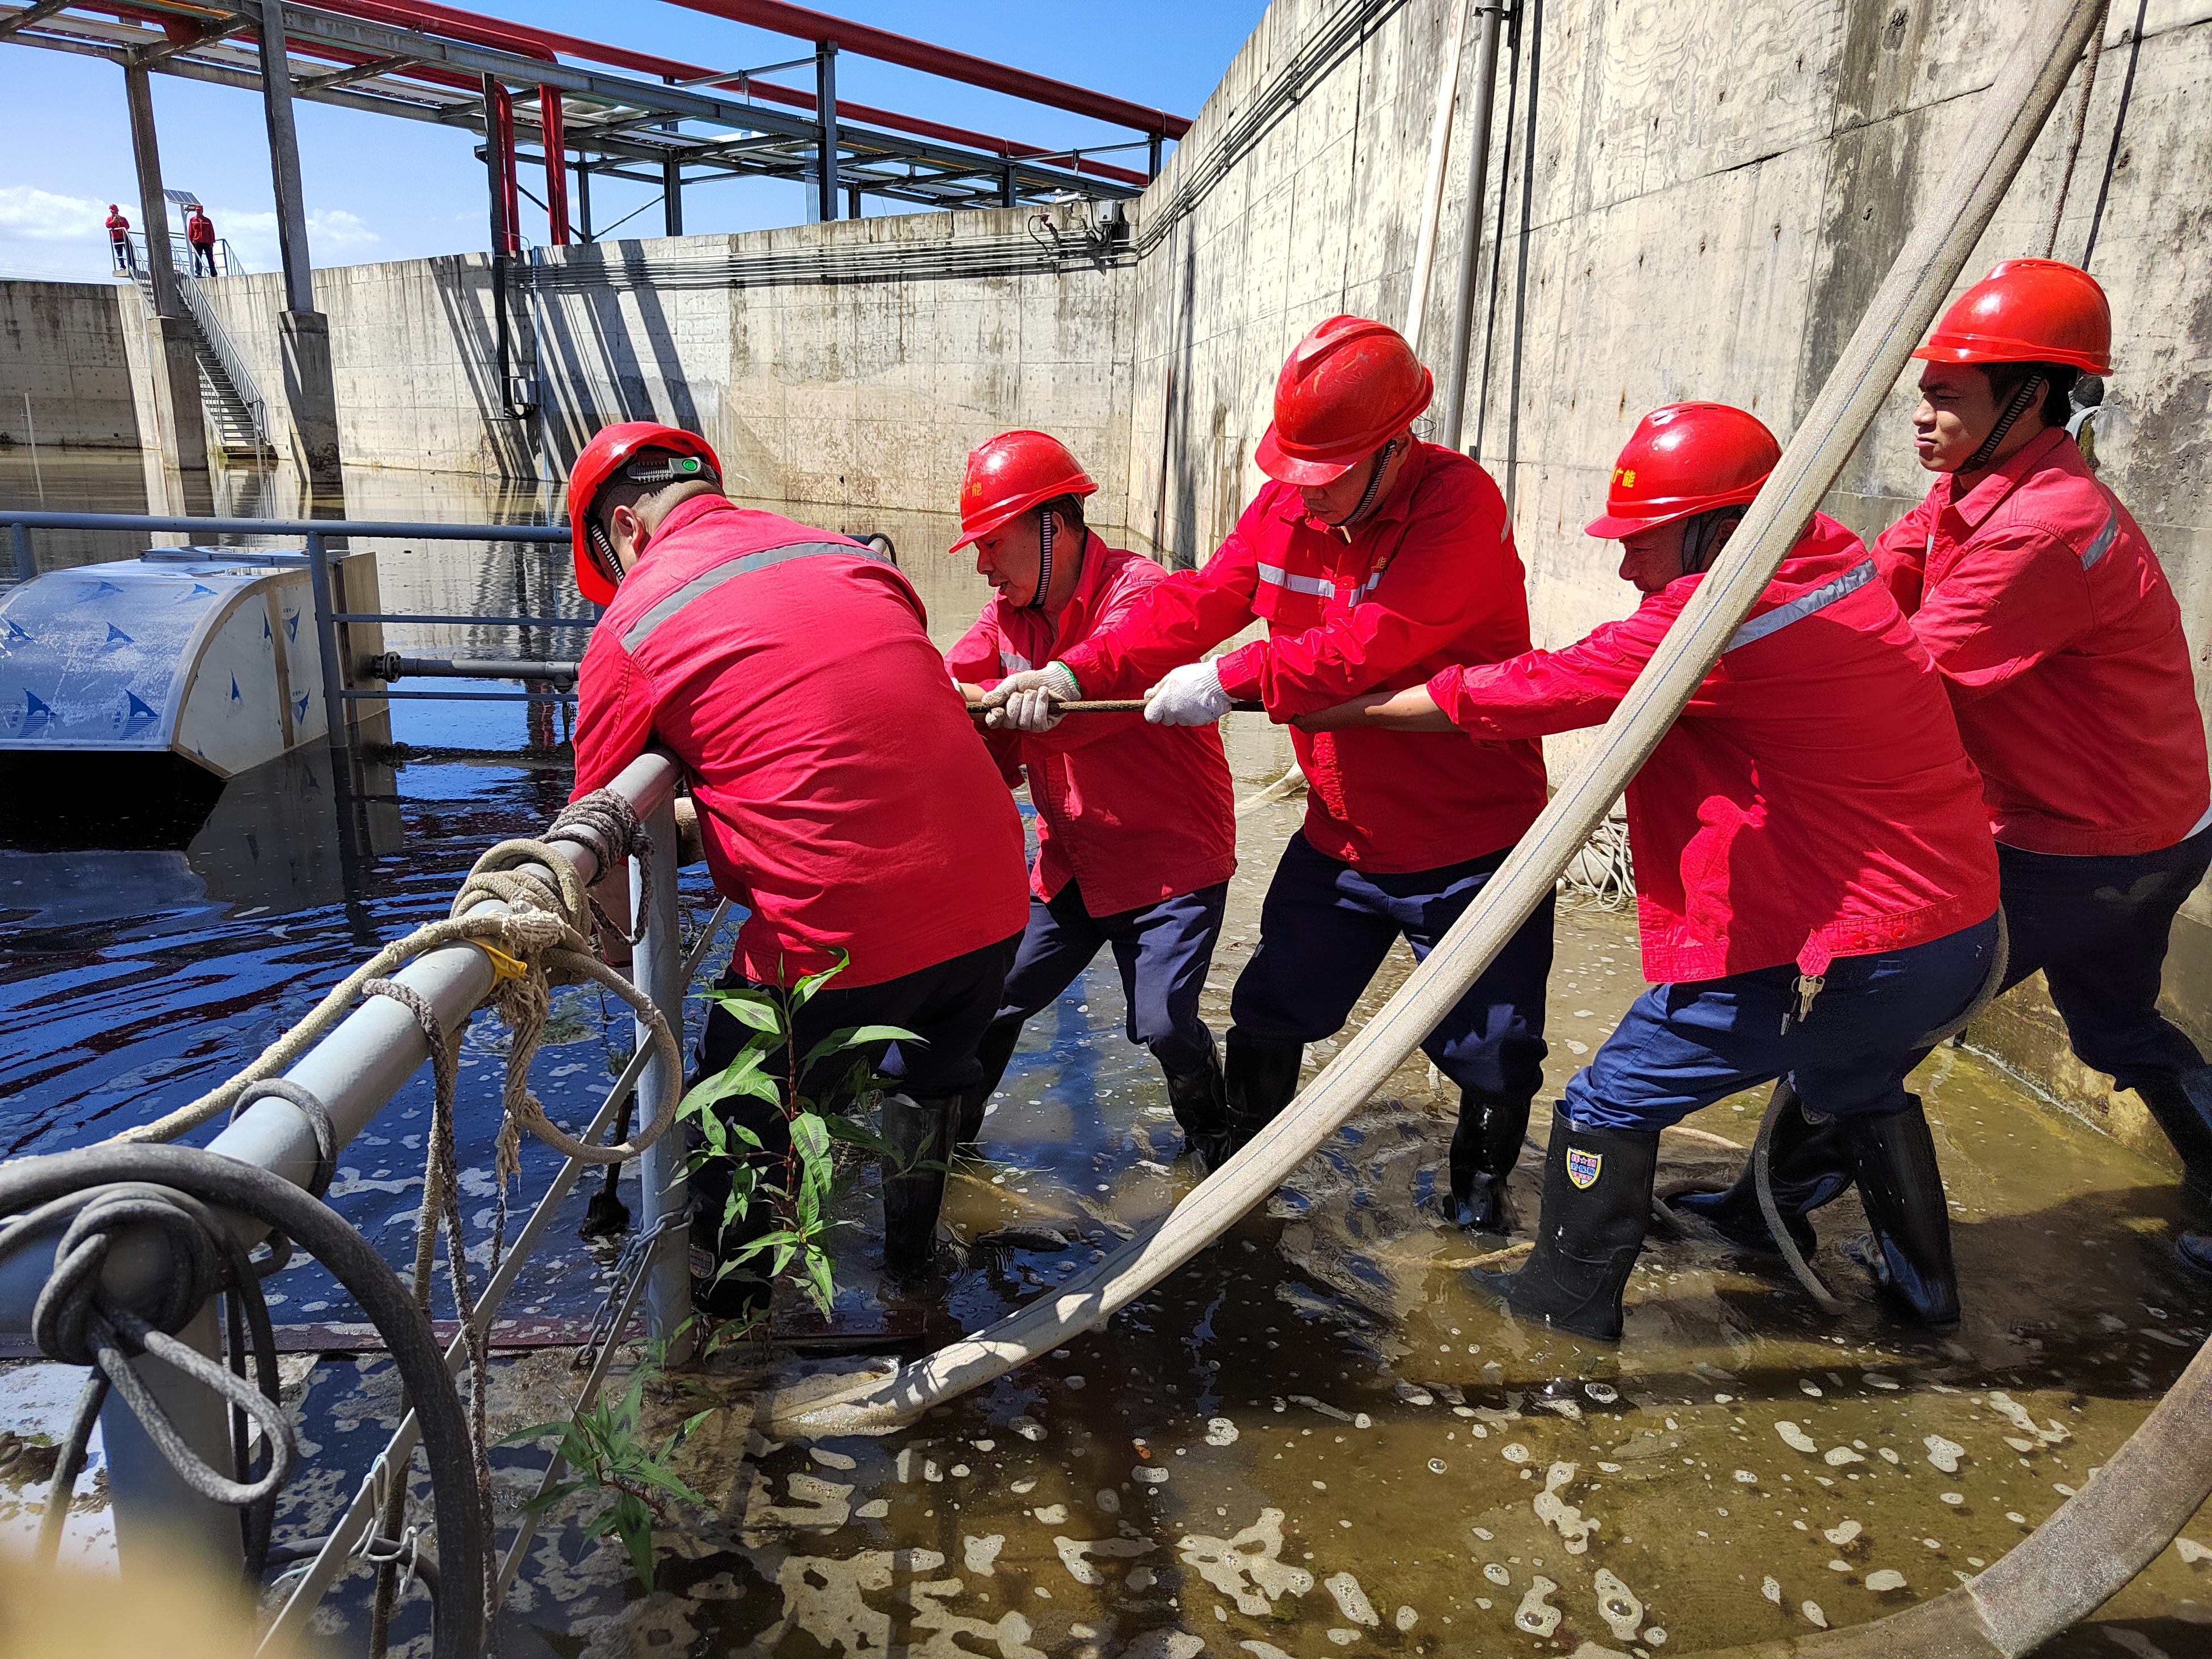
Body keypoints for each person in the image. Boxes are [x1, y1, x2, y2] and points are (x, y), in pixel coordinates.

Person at [1300, 404, 2002, 1338]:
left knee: (1605, 1102)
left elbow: (1533, 688)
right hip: (1952, 931)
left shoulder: (1719, 622)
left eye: (1642, 541)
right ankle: (1926, 1306)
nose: (1625, 567)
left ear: (1719, 528)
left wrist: (1343, 708)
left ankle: (1557, 1325)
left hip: (1849, 950)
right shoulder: (1831, 563)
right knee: (1855, 1083)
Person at [1691, 262, 2212, 1275]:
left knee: (1871, 1011)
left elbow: (1903, 685)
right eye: (1923, 390)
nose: (1922, 414)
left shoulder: (2034, 532)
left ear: (2031, 397)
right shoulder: (1976, 489)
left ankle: (1782, 1214)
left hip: (2080, 842)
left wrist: (1734, 707)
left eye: (1945, 395)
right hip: (2148, 824)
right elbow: (1877, 575)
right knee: (2113, 1028)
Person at [984, 314, 1554, 1232]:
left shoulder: (1458, 507)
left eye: (1325, 478)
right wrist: (1076, 672)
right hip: (1342, 834)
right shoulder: (1289, 506)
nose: (1306, 498)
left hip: (1469, 843)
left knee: (1490, 1052)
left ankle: (1475, 1219)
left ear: (1393, 446)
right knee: (1267, 1012)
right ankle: (1236, 1193)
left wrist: (1229, 676)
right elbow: (1196, 601)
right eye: (1293, 474)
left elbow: (1370, 645)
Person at [563, 421, 1028, 1309]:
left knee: (733, 1126)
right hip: (997, 896)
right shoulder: (847, 557)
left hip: (839, 932)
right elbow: (861, 728)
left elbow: (604, 865)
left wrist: (620, 955)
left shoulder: (634, 620)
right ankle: (910, 1277)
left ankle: (726, 1335)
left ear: (625, 531)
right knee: (930, 1079)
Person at [946, 430, 1239, 1162]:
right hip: (1074, 861)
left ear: (1054, 526)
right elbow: (950, 681)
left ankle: (1216, 1142)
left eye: (991, 543)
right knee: (992, 993)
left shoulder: (1141, 595)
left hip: (1170, 864)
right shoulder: (1008, 617)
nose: (982, 567)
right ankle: (946, 1144)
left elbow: (1100, 693)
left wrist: (1033, 697)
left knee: (1165, 1024)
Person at [185, 203, 216, 276]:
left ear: (202, 211)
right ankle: (199, 273)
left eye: (199, 211)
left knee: (210, 258)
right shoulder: (192, 220)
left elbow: (211, 232)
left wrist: (212, 242)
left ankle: (214, 273)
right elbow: (191, 232)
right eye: (197, 211)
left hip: (207, 242)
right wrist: (190, 241)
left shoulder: (208, 221)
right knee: (198, 258)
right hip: (197, 242)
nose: (198, 212)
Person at [104, 205, 133, 273]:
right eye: (113, 212)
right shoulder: (109, 219)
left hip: (125, 237)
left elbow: (127, 226)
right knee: (119, 253)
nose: (115, 213)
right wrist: (113, 221)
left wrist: (121, 221)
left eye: (116, 212)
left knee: (130, 252)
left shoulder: (123, 218)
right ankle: (122, 266)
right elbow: (107, 226)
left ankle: (133, 266)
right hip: (116, 238)